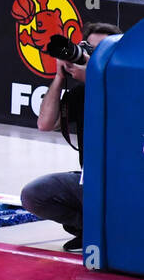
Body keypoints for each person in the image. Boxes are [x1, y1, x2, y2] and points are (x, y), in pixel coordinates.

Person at [19, 22, 121, 252]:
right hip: (91, 180)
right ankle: (94, 230)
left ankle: (115, 231)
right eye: (89, 50)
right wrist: (58, 77)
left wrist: (95, 79)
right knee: (34, 194)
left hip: (125, 184)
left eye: (100, 52)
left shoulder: (131, 88)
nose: (91, 58)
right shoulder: (81, 92)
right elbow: (45, 124)